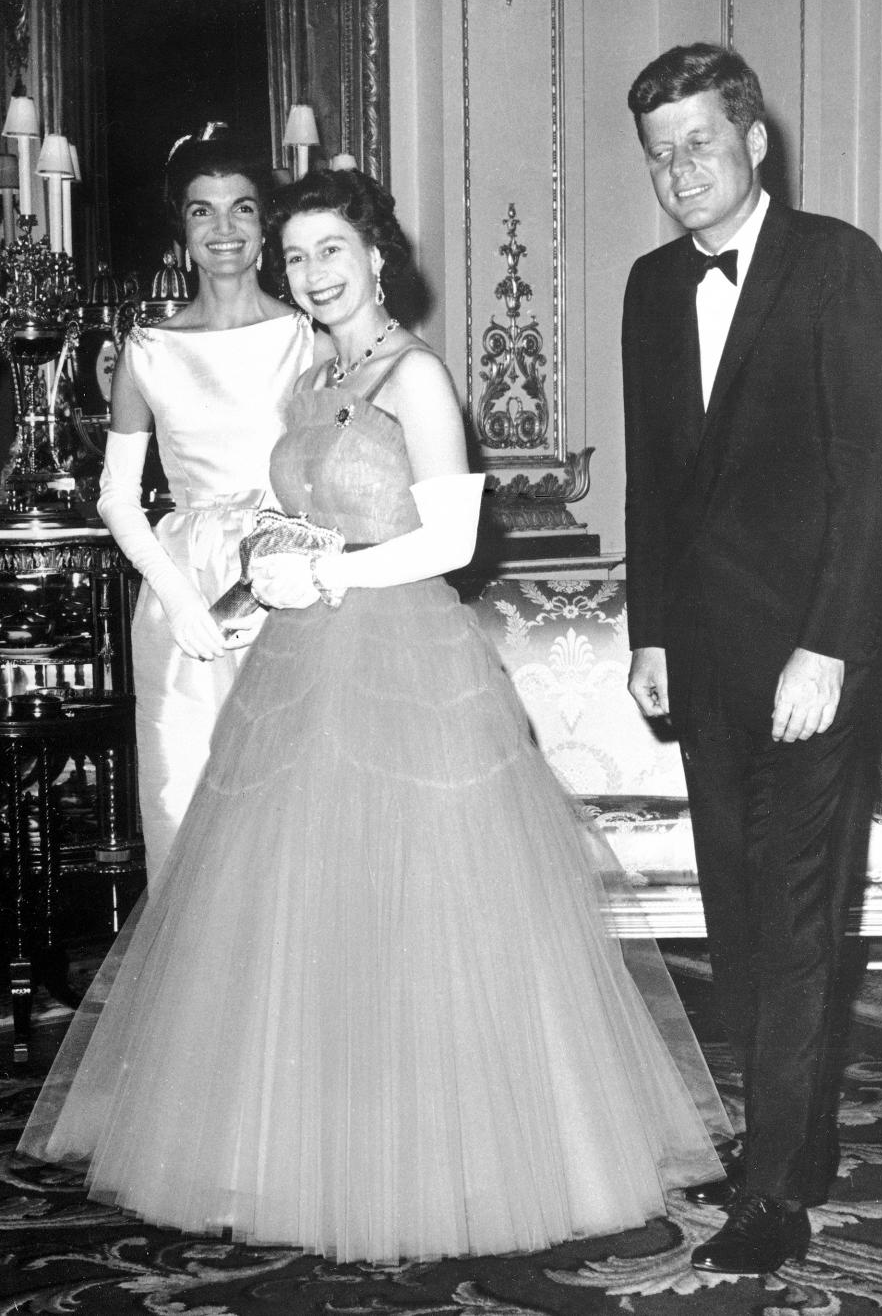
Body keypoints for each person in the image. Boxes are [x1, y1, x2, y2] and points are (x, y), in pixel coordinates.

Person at [20, 166, 732, 1265]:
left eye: (330, 253)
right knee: (308, 913)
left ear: (377, 257)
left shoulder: (416, 377)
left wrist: (335, 575)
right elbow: (296, 510)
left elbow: (451, 543)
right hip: (304, 660)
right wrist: (276, 557)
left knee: (419, 914)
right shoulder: (317, 377)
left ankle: (442, 1157)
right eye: (296, 256)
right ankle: (301, 1147)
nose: (311, 274)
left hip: (403, 659)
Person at [622, 43, 882, 1276]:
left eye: (699, 142)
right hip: (703, 663)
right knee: (739, 921)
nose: (679, 170)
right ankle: (799, 1142)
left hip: (814, 664)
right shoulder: (649, 288)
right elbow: (652, 481)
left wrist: (833, 651)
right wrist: (648, 630)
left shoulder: (838, 265)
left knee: (797, 923)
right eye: (658, 154)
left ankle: (770, 1194)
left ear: (755, 142)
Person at [98, 129, 317, 880]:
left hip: (285, 580)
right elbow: (116, 498)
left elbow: (332, 471)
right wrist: (176, 595)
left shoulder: (306, 338)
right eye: (202, 212)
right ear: (183, 232)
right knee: (185, 799)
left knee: (288, 803)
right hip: (183, 591)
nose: (223, 229)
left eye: (241, 209)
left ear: (265, 227)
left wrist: (290, 565)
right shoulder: (147, 348)